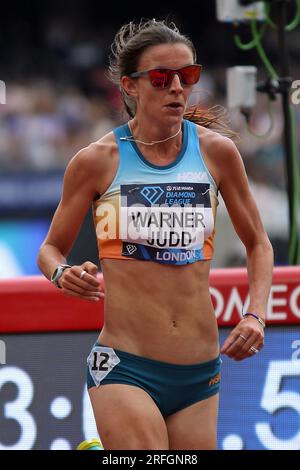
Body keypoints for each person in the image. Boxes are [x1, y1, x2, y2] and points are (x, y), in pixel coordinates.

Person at [37, 18, 274, 450]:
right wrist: (60, 274)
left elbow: (258, 242)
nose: (178, 89)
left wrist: (256, 313)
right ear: (130, 86)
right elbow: (51, 249)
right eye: (162, 79)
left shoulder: (217, 152)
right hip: (126, 366)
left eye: (189, 76)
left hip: (199, 372)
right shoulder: (96, 161)